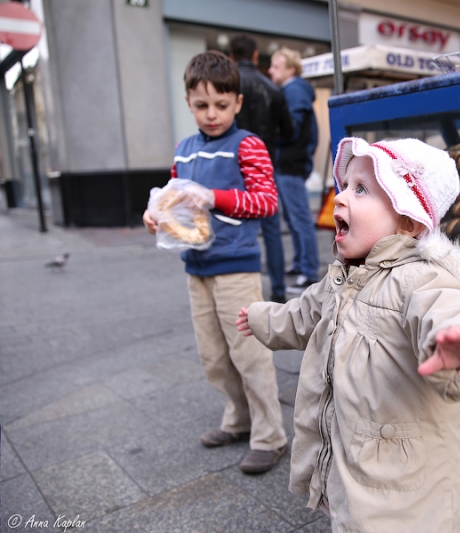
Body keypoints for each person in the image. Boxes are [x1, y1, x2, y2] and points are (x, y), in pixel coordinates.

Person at [236, 137, 460, 531]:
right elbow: (304, 313)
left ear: (408, 222)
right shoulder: (343, 278)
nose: (341, 197)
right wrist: (264, 318)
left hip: (413, 489)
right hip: (358, 466)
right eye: (344, 185)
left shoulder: (421, 278)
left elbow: (449, 311)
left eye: (360, 189)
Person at [142, 50, 287, 475]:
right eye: (201, 106)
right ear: (188, 102)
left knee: (249, 355)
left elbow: (266, 201)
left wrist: (214, 197)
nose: (211, 115)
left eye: (221, 105)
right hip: (197, 269)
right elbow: (173, 199)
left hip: (236, 269)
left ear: (238, 103)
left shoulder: (248, 145)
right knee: (214, 357)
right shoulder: (183, 150)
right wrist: (156, 216)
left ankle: (270, 436)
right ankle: (238, 419)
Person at [230, 34, 295, 303]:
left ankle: (239, 292)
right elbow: (289, 131)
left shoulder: (230, 88)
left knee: (236, 227)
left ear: (232, 57)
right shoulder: (273, 88)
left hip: (233, 167)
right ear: (256, 56)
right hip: (265, 166)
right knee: (271, 232)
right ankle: (278, 290)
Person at [268, 46, 320, 293]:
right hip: (290, 163)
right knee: (294, 218)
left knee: (299, 219)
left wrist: (271, 135)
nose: (270, 71)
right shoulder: (293, 90)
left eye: (275, 66)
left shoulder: (295, 89)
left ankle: (309, 273)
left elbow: (292, 129)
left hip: (290, 163)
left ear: (290, 69)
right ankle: (301, 264)